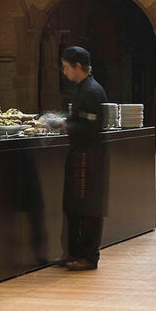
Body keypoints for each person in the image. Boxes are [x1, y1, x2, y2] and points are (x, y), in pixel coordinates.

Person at [58, 45, 108, 270]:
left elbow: (91, 127)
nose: (64, 72)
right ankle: (74, 252)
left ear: (78, 66)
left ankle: (89, 256)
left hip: (89, 156)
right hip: (80, 154)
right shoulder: (83, 88)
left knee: (88, 207)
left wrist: (65, 125)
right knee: (74, 205)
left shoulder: (92, 91)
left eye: (66, 67)